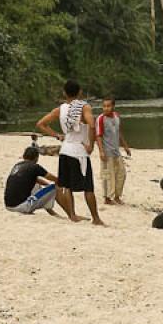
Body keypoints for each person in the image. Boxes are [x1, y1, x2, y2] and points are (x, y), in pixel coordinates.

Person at [36, 80, 104, 226]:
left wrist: (57, 135)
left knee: (67, 186)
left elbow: (41, 124)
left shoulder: (60, 109)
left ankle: (72, 215)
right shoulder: (84, 107)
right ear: (80, 92)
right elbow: (92, 125)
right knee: (88, 187)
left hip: (65, 150)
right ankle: (96, 218)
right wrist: (91, 145)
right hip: (79, 151)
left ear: (64, 93)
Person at [4, 146, 64, 216]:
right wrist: (62, 182)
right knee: (56, 186)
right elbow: (53, 178)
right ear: (36, 158)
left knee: (35, 184)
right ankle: (70, 213)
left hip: (8, 206)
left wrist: (47, 185)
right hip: (22, 207)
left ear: (24, 156)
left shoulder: (17, 165)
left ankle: (51, 211)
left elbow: (34, 180)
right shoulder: (35, 167)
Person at [96, 97, 131, 205]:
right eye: (104, 106)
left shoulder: (116, 116)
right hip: (107, 152)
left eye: (108, 106)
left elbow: (119, 132)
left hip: (116, 152)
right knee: (107, 176)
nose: (106, 108)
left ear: (113, 106)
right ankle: (107, 198)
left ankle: (117, 196)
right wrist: (101, 151)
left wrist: (125, 146)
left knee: (121, 174)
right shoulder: (101, 119)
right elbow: (98, 136)